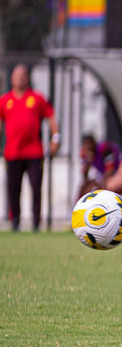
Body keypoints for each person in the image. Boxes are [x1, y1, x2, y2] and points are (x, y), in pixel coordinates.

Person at [0, 64, 59, 231]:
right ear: (12, 78)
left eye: (23, 75)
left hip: (34, 153)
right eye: (17, 75)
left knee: (36, 188)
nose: (20, 78)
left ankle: (36, 222)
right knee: (13, 189)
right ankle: (15, 222)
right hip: (12, 153)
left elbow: (51, 118)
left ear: (28, 78)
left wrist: (55, 139)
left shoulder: (37, 98)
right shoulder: (5, 100)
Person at [78, 134, 120, 198]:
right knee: (83, 188)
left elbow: (110, 170)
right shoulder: (85, 154)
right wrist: (88, 163)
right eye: (86, 144)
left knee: (103, 187)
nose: (89, 146)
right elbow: (85, 176)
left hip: (115, 174)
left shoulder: (104, 150)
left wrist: (99, 182)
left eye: (90, 143)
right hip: (100, 177)